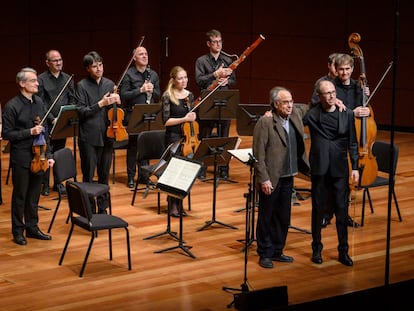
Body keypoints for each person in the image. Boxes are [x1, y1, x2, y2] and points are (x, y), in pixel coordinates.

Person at [303, 80, 359, 267]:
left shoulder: (347, 114)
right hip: (320, 169)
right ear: (319, 96)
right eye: (327, 93)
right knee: (318, 211)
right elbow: (291, 112)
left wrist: (356, 167)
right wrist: (272, 112)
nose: (332, 95)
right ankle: (316, 248)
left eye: (333, 92)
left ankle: (343, 250)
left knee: (342, 212)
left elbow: (352, 142)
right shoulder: (312, 115)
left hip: (340, 170)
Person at [253, 86, 310, 269]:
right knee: (266, 216)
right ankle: (265, 253)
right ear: (276, 104)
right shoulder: (265, 122)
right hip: (272, 177)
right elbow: (258, 154)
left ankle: (278, 250)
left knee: (283, 217)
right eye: (285, 102)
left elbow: (312, 104)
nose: (290, 105)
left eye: (291, 101)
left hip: (288, 176)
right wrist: (264, 179)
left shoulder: (295, 115)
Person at [2, 67, 54, 245]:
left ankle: (32, 227)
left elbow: (45, 132)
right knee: (20, 196)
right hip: (22, 157)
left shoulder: (39, 102)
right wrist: (29, 132)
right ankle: (18, 230)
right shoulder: (11, 106)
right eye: (33, 81)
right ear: (22, 84)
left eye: (36, 80)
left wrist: (49, 154)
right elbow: (7, 134)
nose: (37, 83)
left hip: (39, 156)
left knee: (34, 195)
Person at [195, 29, 236, 179]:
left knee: (224, 136)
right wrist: (215, 75)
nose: (218, 44)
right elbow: (199, 80)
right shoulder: (201, 61)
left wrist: (227, 81)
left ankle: (223, 168)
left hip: (224, 101)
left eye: (220, 41)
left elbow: (234, 79)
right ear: (208, 44)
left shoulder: (227, 60)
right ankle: (202, 168)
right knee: (205, 136)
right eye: (215, 42)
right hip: (208, 101)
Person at [76, 51, 120, 186]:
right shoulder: (81, 86)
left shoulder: (110, 84)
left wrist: (118, 102)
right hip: (89, 137)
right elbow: (81, 111)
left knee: (104, 175)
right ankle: (88, 206)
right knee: (88, 176)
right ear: (88, 68)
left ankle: (103, 207)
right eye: (95, 66)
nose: (99, 69)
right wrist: (100, 104)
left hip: (107, 135)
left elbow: (115, 113)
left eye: (100, 65)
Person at [120, 46, 161, 188]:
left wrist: (152, 90)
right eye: (141, 54)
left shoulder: (153, 75)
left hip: (150, 115)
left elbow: (158, 94)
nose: (144, 56)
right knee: (133, 146)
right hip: (133, 114)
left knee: (147, 145)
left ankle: (144, 176)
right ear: (134, 58)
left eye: (146, 53)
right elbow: (123, 95)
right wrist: (140, 90)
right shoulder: (129, 74)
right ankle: (131, 177)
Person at [37, 49, 75, 196]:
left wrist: (65, 116)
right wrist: (52, 118)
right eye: (55, 60)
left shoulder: (68, 78)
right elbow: (41, 103)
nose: (59, 63)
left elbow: (71, 99)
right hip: (48, 121)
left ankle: (58, 183)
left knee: (59, 151)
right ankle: (45, 183)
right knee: (47, 151)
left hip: (62, 122)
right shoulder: (41, 80)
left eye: (60, 60)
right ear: (48, 63)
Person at [161, 66, 197, 217]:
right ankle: (172, 203)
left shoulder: (190, 95)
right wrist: (184, 119)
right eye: (180, 78)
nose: (184, 81)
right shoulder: (168, 96)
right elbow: (166, 121)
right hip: (173, 138)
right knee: (174, 171)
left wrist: (194, 117)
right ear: (174, 80)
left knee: (185, 173)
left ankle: (180, 202)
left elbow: (193, 116)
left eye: (185, 77)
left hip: (188, 138)